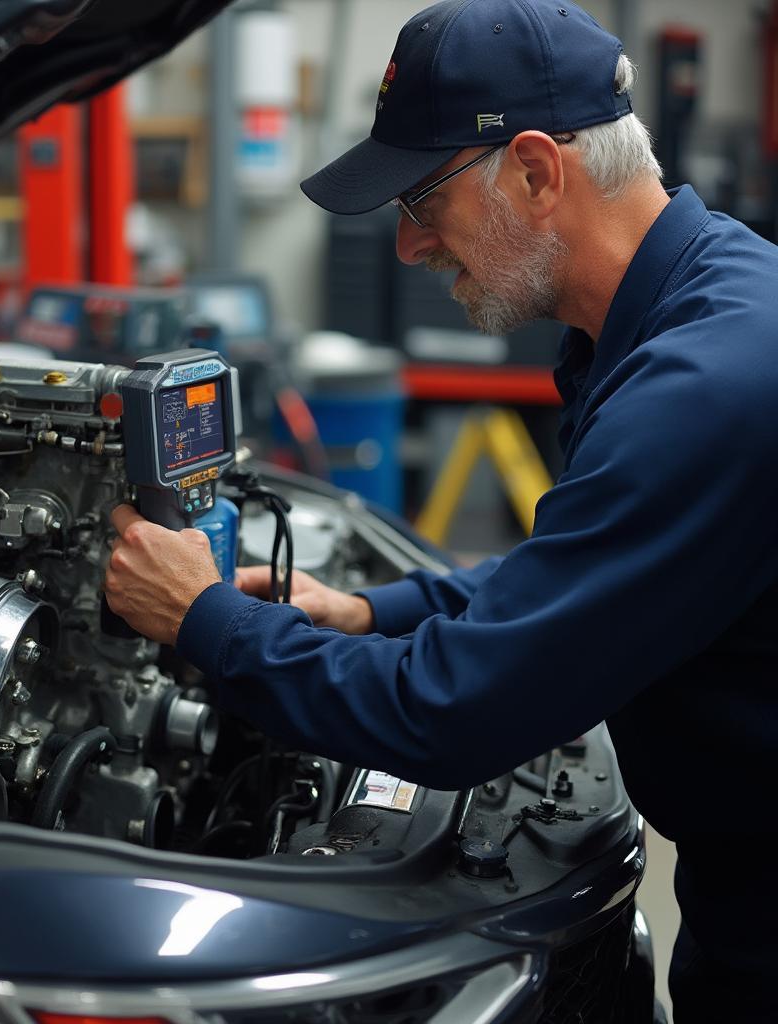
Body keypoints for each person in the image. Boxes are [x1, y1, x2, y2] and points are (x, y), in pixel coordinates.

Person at [104, 1, 778, 1019]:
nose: (411, 248)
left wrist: (205, 619)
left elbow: (454, 711)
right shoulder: (697, 303)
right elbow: (603, 564)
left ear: (539, 171)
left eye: (423, 201)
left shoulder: (704, 386)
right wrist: (378, 611)